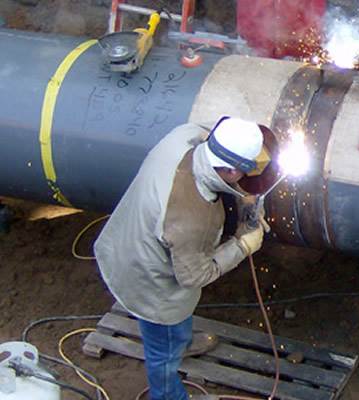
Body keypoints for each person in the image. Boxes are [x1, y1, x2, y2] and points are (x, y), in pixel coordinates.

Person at [94, 117, 268, 400]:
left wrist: (242, 196)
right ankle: (167, 393)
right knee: (163, 353)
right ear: (234, 171)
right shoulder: (190, 217)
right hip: (149, 280)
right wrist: (242, 246)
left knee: (177, 325)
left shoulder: (185, 137)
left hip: (128, 237)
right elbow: (193, 276)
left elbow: (209, 129)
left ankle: (181, 341)